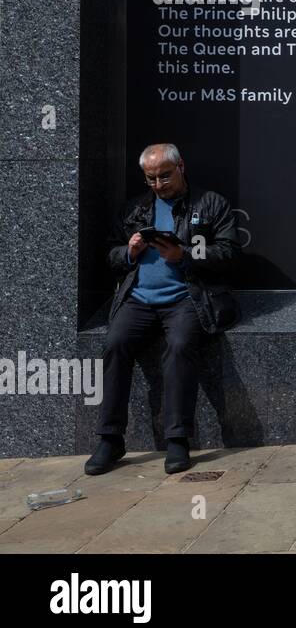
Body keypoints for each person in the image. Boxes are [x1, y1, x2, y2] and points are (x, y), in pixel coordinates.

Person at [88, 143, 242, 476]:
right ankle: (110, 438)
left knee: (180, 347)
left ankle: (177, 440)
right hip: (138, 298)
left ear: (181, 167)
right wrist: (128, 252)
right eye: (151, 179)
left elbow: (229, 254)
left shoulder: (210, 204)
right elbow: (110, 255)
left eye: (164, 176)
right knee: (114, 344)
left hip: (188, 298)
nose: (159, 185)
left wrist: (183, 256)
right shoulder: (135, 210)